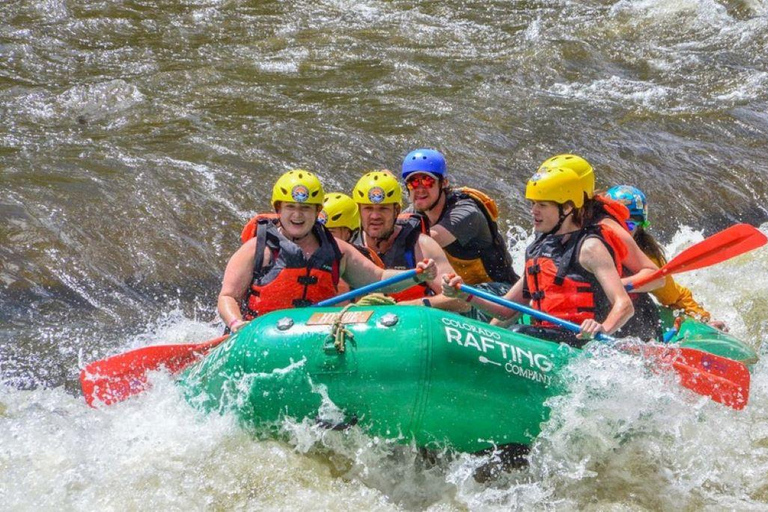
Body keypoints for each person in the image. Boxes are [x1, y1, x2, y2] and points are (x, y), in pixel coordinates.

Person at [442, 158, 664, 344]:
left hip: (583, 340)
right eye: (533, 204)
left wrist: (601, 329)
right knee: (517, 329)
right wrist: (465, 294)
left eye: (543, 205)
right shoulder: (538, 249)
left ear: (567, 207)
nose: (534, 212)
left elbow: (624, 305)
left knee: (519, 333)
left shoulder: (592, 246)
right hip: (549, 339)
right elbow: (506, 310)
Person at [218, 170, 437, 332]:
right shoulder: (256, 249)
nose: (297, 215)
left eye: (305, 208)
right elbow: (228, 296)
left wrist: (417, 276)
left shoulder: (337, 250)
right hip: (261, 333)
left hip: (314, 333)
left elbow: (379, 278)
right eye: (290, 207)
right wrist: (237, 324)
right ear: (278, 209)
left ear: (317, 211)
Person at [606, 185, 727, 330]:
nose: (622, 230)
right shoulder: (591, 242)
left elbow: (675, 297)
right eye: (616, 223)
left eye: (629, 225)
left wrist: (703, 320)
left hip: (630, 318)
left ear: (640, 227)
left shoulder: (648, 258)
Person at [401, 149, 518, 291]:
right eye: (412, 182)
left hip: (501, 291)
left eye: (427, 181)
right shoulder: (413, 214)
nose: (419, 189)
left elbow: (424, 241)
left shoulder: (465, 213)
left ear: (443, 183)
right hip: (458, 289)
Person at [352, 170, 468, 311]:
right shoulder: (349, 248)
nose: (375, 216)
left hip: (414, 323)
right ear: (359, 210)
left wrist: (409, 306)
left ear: (397, 211)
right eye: (368, 208)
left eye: (383, 209)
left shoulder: (422, 245)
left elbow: (460, 301)